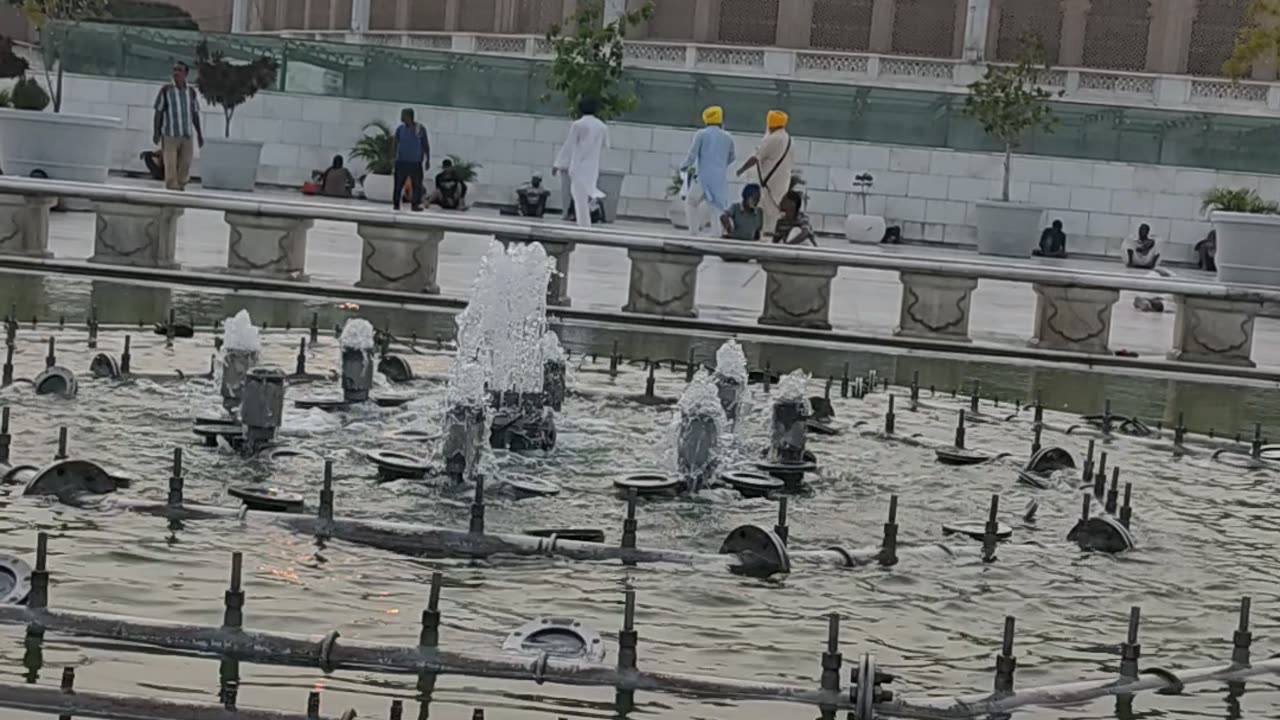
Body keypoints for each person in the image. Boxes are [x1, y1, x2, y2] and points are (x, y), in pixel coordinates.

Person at [554, 96, 610, 228]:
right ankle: (588, 217)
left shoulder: (578, 125)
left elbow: (569, 145)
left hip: (578, 166)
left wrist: (558, 163)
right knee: (586, 192)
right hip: (592, 167)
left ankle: (584, 224)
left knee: (578, 196)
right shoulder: (602, 126)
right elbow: (606, 145)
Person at [737, 110, 793, 239]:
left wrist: (741, 169)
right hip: (781, 182)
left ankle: (765, 239)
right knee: (776, 210)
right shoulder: (788, 138)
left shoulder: (773, 138)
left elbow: (756, 157)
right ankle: (773, 236)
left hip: (769, 184)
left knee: (766, 212)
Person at [681, 105, 735, 237]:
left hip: (703, 176)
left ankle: (694, 231)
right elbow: (732, 157)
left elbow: (692, 154)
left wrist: (684, 166)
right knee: (716, 206)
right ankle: (716, 233)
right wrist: (721, 166)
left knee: (691, 202)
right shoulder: (728, 137)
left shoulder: (701, 134)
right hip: (719, 178)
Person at [152, 61, 203, 191]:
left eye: (179, 70)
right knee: (170, 163)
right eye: (175, 70)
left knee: (185, 162)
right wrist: (156, 132)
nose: (176, 73)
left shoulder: (191, 92)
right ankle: (171, 186)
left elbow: (194, 113)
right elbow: (158, 112)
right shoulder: (166, 90)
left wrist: (199, 134)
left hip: (186, 134)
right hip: (170, 134)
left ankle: (180, 184)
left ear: (186, 74)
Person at [391, 108, 430, 211]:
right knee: (398, 184)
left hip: (415, 162)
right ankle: (396, 204)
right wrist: (393, 157)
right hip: (402, 161)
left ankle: (415, 204)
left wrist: (427, 159)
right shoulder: (400, 129)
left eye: (403, 115)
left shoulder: (419, 128)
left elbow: (425, 144)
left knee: (417, 185)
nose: (401, 118)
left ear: (409, 116)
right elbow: (395, 143)